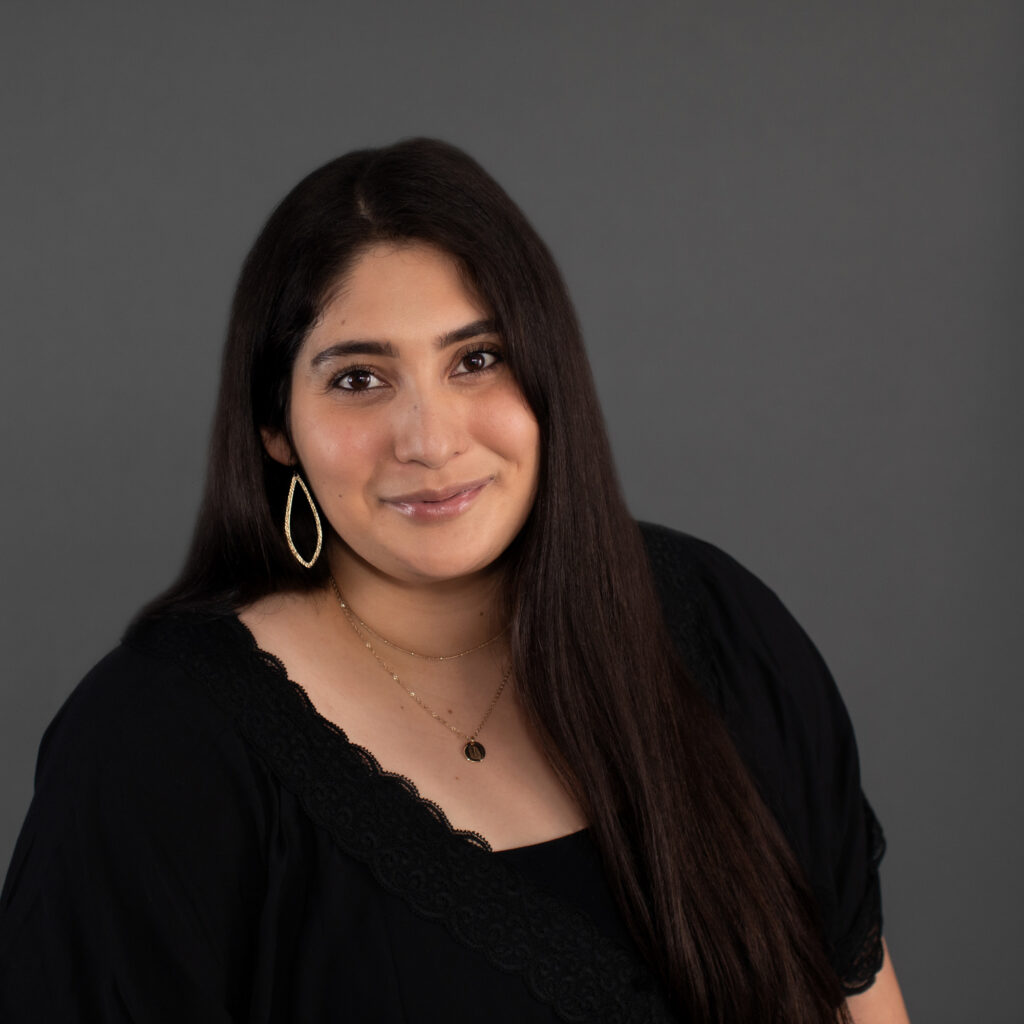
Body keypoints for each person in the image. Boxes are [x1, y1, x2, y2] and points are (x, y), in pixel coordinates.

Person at [0, 138, 909, 1023]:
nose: (430, 440)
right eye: (358, 378)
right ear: (276, 428)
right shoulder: (155, 748)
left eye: (477, 360)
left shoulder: (719, 630)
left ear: (549, 374)